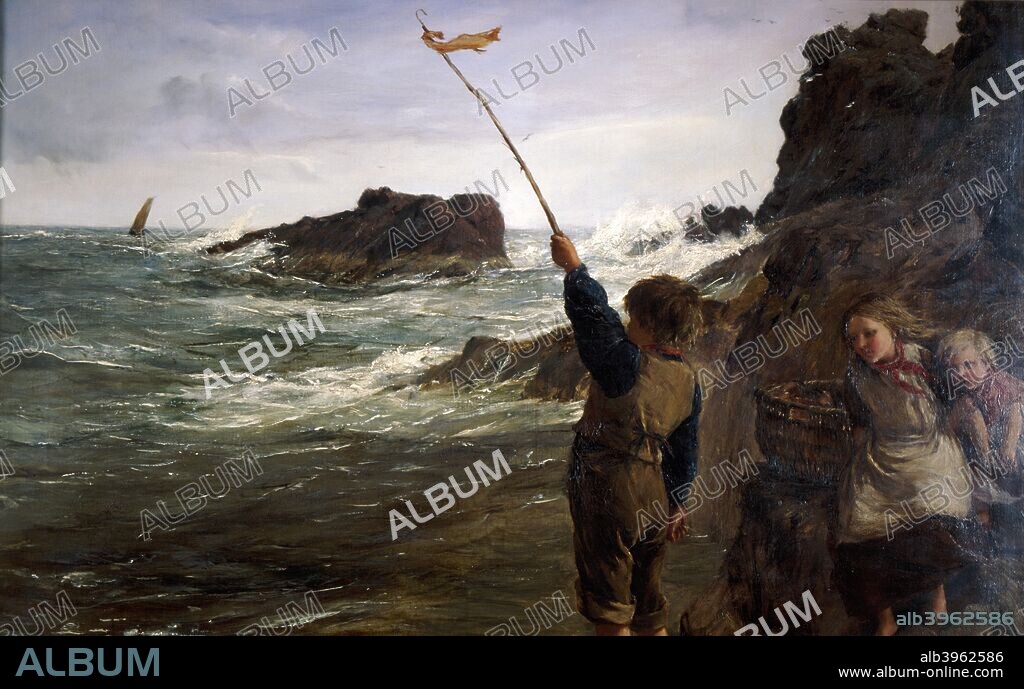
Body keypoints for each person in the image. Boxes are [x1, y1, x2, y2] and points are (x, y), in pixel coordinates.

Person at [550, 233, 702, 636]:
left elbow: (594, 319)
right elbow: (684, 451)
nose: (627, 325)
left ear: (650, 327)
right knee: (648, 605)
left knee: (611, 608)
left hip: (607, 490)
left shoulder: (624, 363)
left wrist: (575, 269)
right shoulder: (688, 379)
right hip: (655, 496)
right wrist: (678, 503)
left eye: (634, 320)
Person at [834, 293, 976, 636]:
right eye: (854, 338)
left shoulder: (925, 360)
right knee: (859, 521)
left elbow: (956, 400)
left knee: (931, 504)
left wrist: (947, 436)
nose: (863, 344)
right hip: (884, 455)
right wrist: (860, 463)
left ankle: (936, 594)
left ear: (892, 327)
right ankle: (885, 619)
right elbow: (858, 427)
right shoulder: (857, 378)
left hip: (931, 450)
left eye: (870, 333)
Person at [937, 329, 1024, 525]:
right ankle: (983, 518)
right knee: (971, 416)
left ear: (986, 364)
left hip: (1013, 443)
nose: (961, 374)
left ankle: (1002, 458)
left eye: (968, 365)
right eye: (954, 369)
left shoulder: (1001, 383)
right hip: (984, 453)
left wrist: (1008, 447)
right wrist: (959, 414)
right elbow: (947, 429)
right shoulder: (963, 397)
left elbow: (1017, 409)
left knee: (1015, 408)